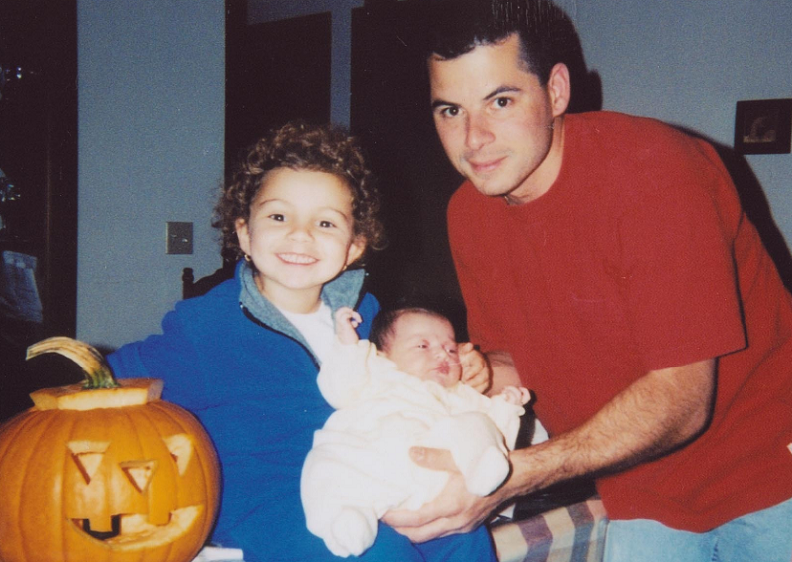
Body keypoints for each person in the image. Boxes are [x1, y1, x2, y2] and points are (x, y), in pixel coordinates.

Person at [382, 1, 792, 561]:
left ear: (555, 91)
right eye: (450, 111)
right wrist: (466, 377)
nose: (473, 138)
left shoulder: (654, 173)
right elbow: (515, 359)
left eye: (500, 101)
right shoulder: (467, 214)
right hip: (640, 487)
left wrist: (514, 474)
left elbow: (681, 398)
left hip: (771, 470)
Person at [106, 121, 491, 562]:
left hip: (363, 476)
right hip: (264, 501)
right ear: (245, 233)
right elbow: (112, 380)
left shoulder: (366, 314)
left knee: (463, 536)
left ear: (353, 247)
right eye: (278, 216)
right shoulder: (205, 325)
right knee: (380, 555)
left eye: (325, 222)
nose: (300, 234)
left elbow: (405, 378)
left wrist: (456, 369)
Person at [302, 305, 531, 557]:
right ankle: (347, 518)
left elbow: (496, 435)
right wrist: (347, 346)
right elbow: (340, 388)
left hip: (432, 483)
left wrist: (506, 409)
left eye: (450, 348)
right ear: (382, 355)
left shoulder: (461, 395)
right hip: (372, 466)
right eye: (423, 346)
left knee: (476, 423)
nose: (442, 354)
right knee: (328, 463)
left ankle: (483, 471)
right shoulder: (376, 375)